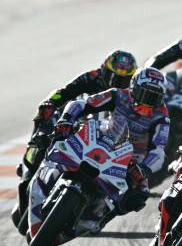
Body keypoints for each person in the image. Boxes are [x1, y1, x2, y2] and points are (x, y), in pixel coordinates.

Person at [14, 50, 138, 221]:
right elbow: (63, 92)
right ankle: (29, 163)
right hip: (75, 122)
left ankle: (95, 212)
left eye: (124, 79)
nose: (118, 82)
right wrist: (50, 102)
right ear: (105, 70)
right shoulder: (90, 78)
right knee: (44, 120)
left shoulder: (128, 97)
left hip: (102, 135)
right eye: (114, 76)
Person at [51, 67, 170, 229]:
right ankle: (52, 173)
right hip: (104, 137)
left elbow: (159, 150)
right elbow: (83, 104)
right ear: (133, 88)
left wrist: (144, 168)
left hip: (133, 157)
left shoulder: (162, 117)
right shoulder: (118, 94)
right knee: (63, 139)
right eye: (145, 95)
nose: (148, 102)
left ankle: (101, 213)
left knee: (138, 196)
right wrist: (66, 120)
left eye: (154, 98)